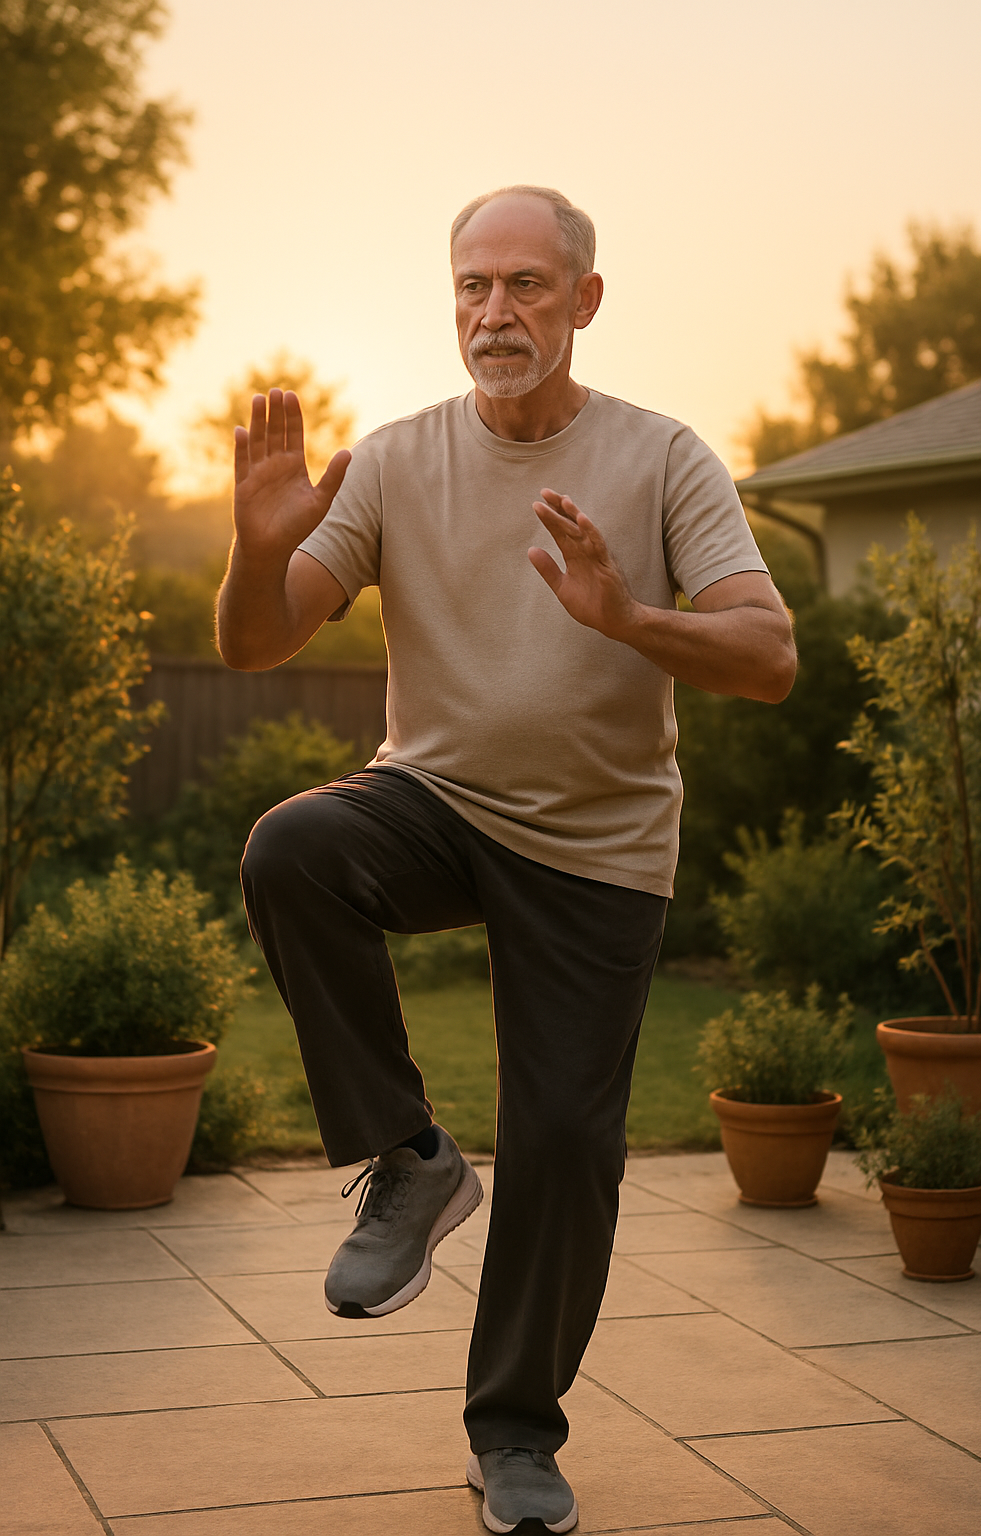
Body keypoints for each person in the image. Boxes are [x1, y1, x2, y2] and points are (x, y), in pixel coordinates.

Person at [217, 185, 796, 1534]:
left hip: (597, 848)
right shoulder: (395, 461)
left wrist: (629, 614)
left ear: (584, 301)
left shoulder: (662, 460)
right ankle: (410, 1159)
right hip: (436, 799)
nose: (494, 313)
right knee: (297, 844)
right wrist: (255, 554)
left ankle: (517, 1433)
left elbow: (767, 657)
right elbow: (256, 643)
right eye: (474, 285)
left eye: (527, 285)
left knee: (566, 1145)